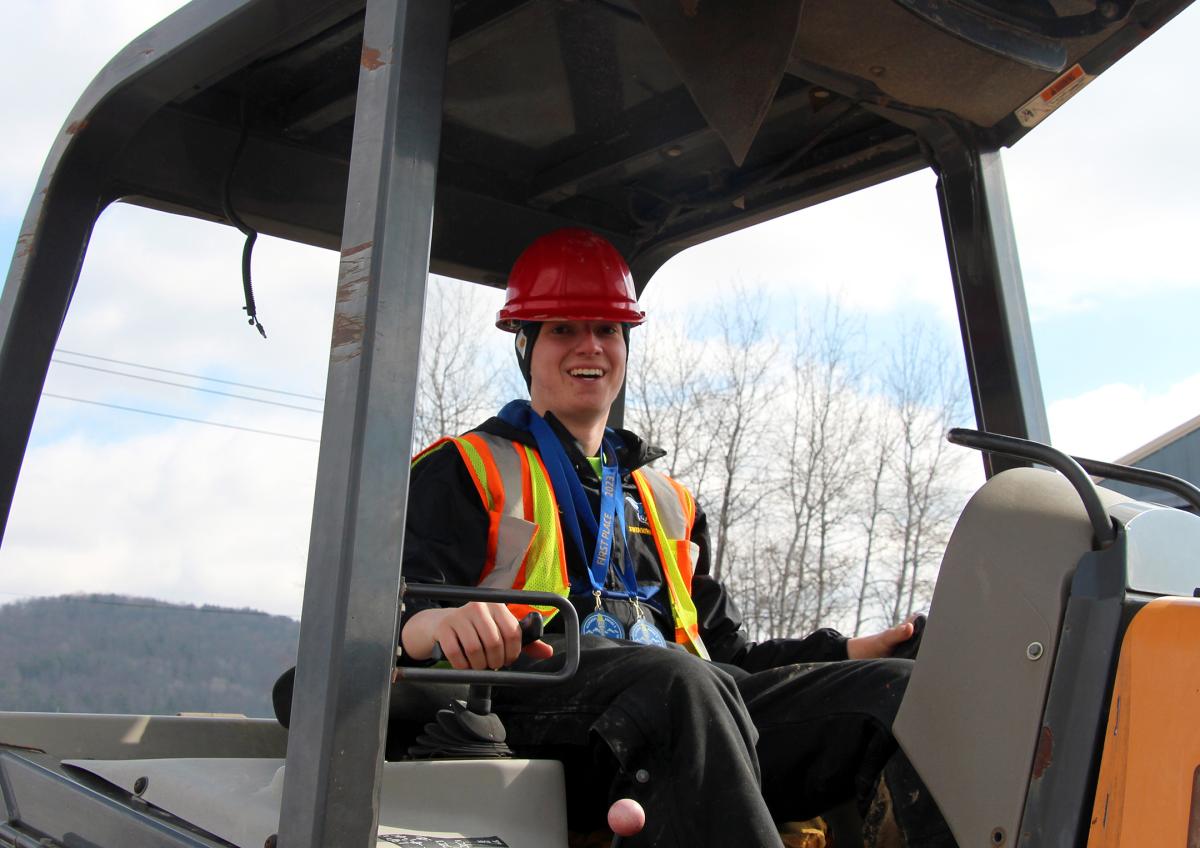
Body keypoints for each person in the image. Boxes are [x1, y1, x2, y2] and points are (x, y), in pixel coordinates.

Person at [399, 228, 955, 847]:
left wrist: (847, 652)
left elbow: (723, 654)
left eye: (607, 329)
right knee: (679, 685)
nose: (590, 345)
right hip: (535, 707)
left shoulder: (668, 503)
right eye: (563, 329)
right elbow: (397, 613)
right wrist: (439, 622)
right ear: (524, 345)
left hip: (686, 708)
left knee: (897, 694)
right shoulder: (464, 469)